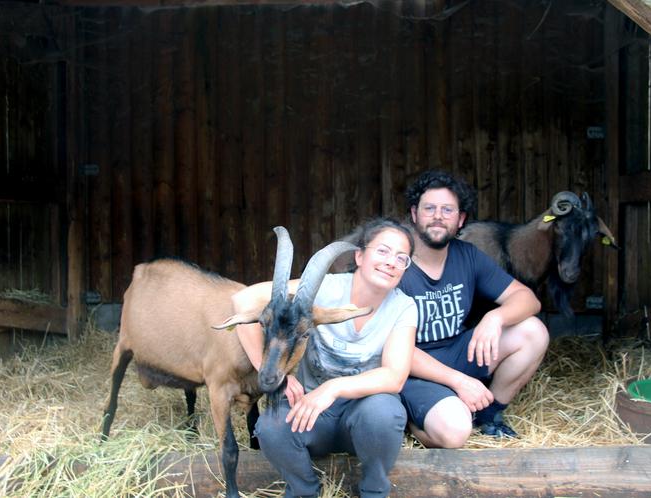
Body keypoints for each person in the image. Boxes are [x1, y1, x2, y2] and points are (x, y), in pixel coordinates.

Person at [233, 217, 418, 498]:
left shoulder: (403, 307)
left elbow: (394, 376)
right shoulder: (325, 289)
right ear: (359, 255)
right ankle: (304, 490)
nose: (391, 262)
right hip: (310, 415)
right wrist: (271, 372)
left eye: (401, 258)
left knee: (385, 412)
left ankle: (374, 490)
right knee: (270, 426)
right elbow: (243, 301)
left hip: (363, 418)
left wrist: (333, 387)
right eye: (383, 251)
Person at [398, 170, 549, 448]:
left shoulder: (467, 255)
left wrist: (495, 317)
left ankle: (489, 416)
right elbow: (387, 347)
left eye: (447, 209)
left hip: (457, 352)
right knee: (455, 432)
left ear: (461, 219)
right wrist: (459, 382)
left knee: (533, 331)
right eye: (429, 208)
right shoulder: (398, 262)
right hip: (411, 370)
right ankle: (412, 420)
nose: (438, 216)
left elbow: (528, 299)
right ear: (414, 214)